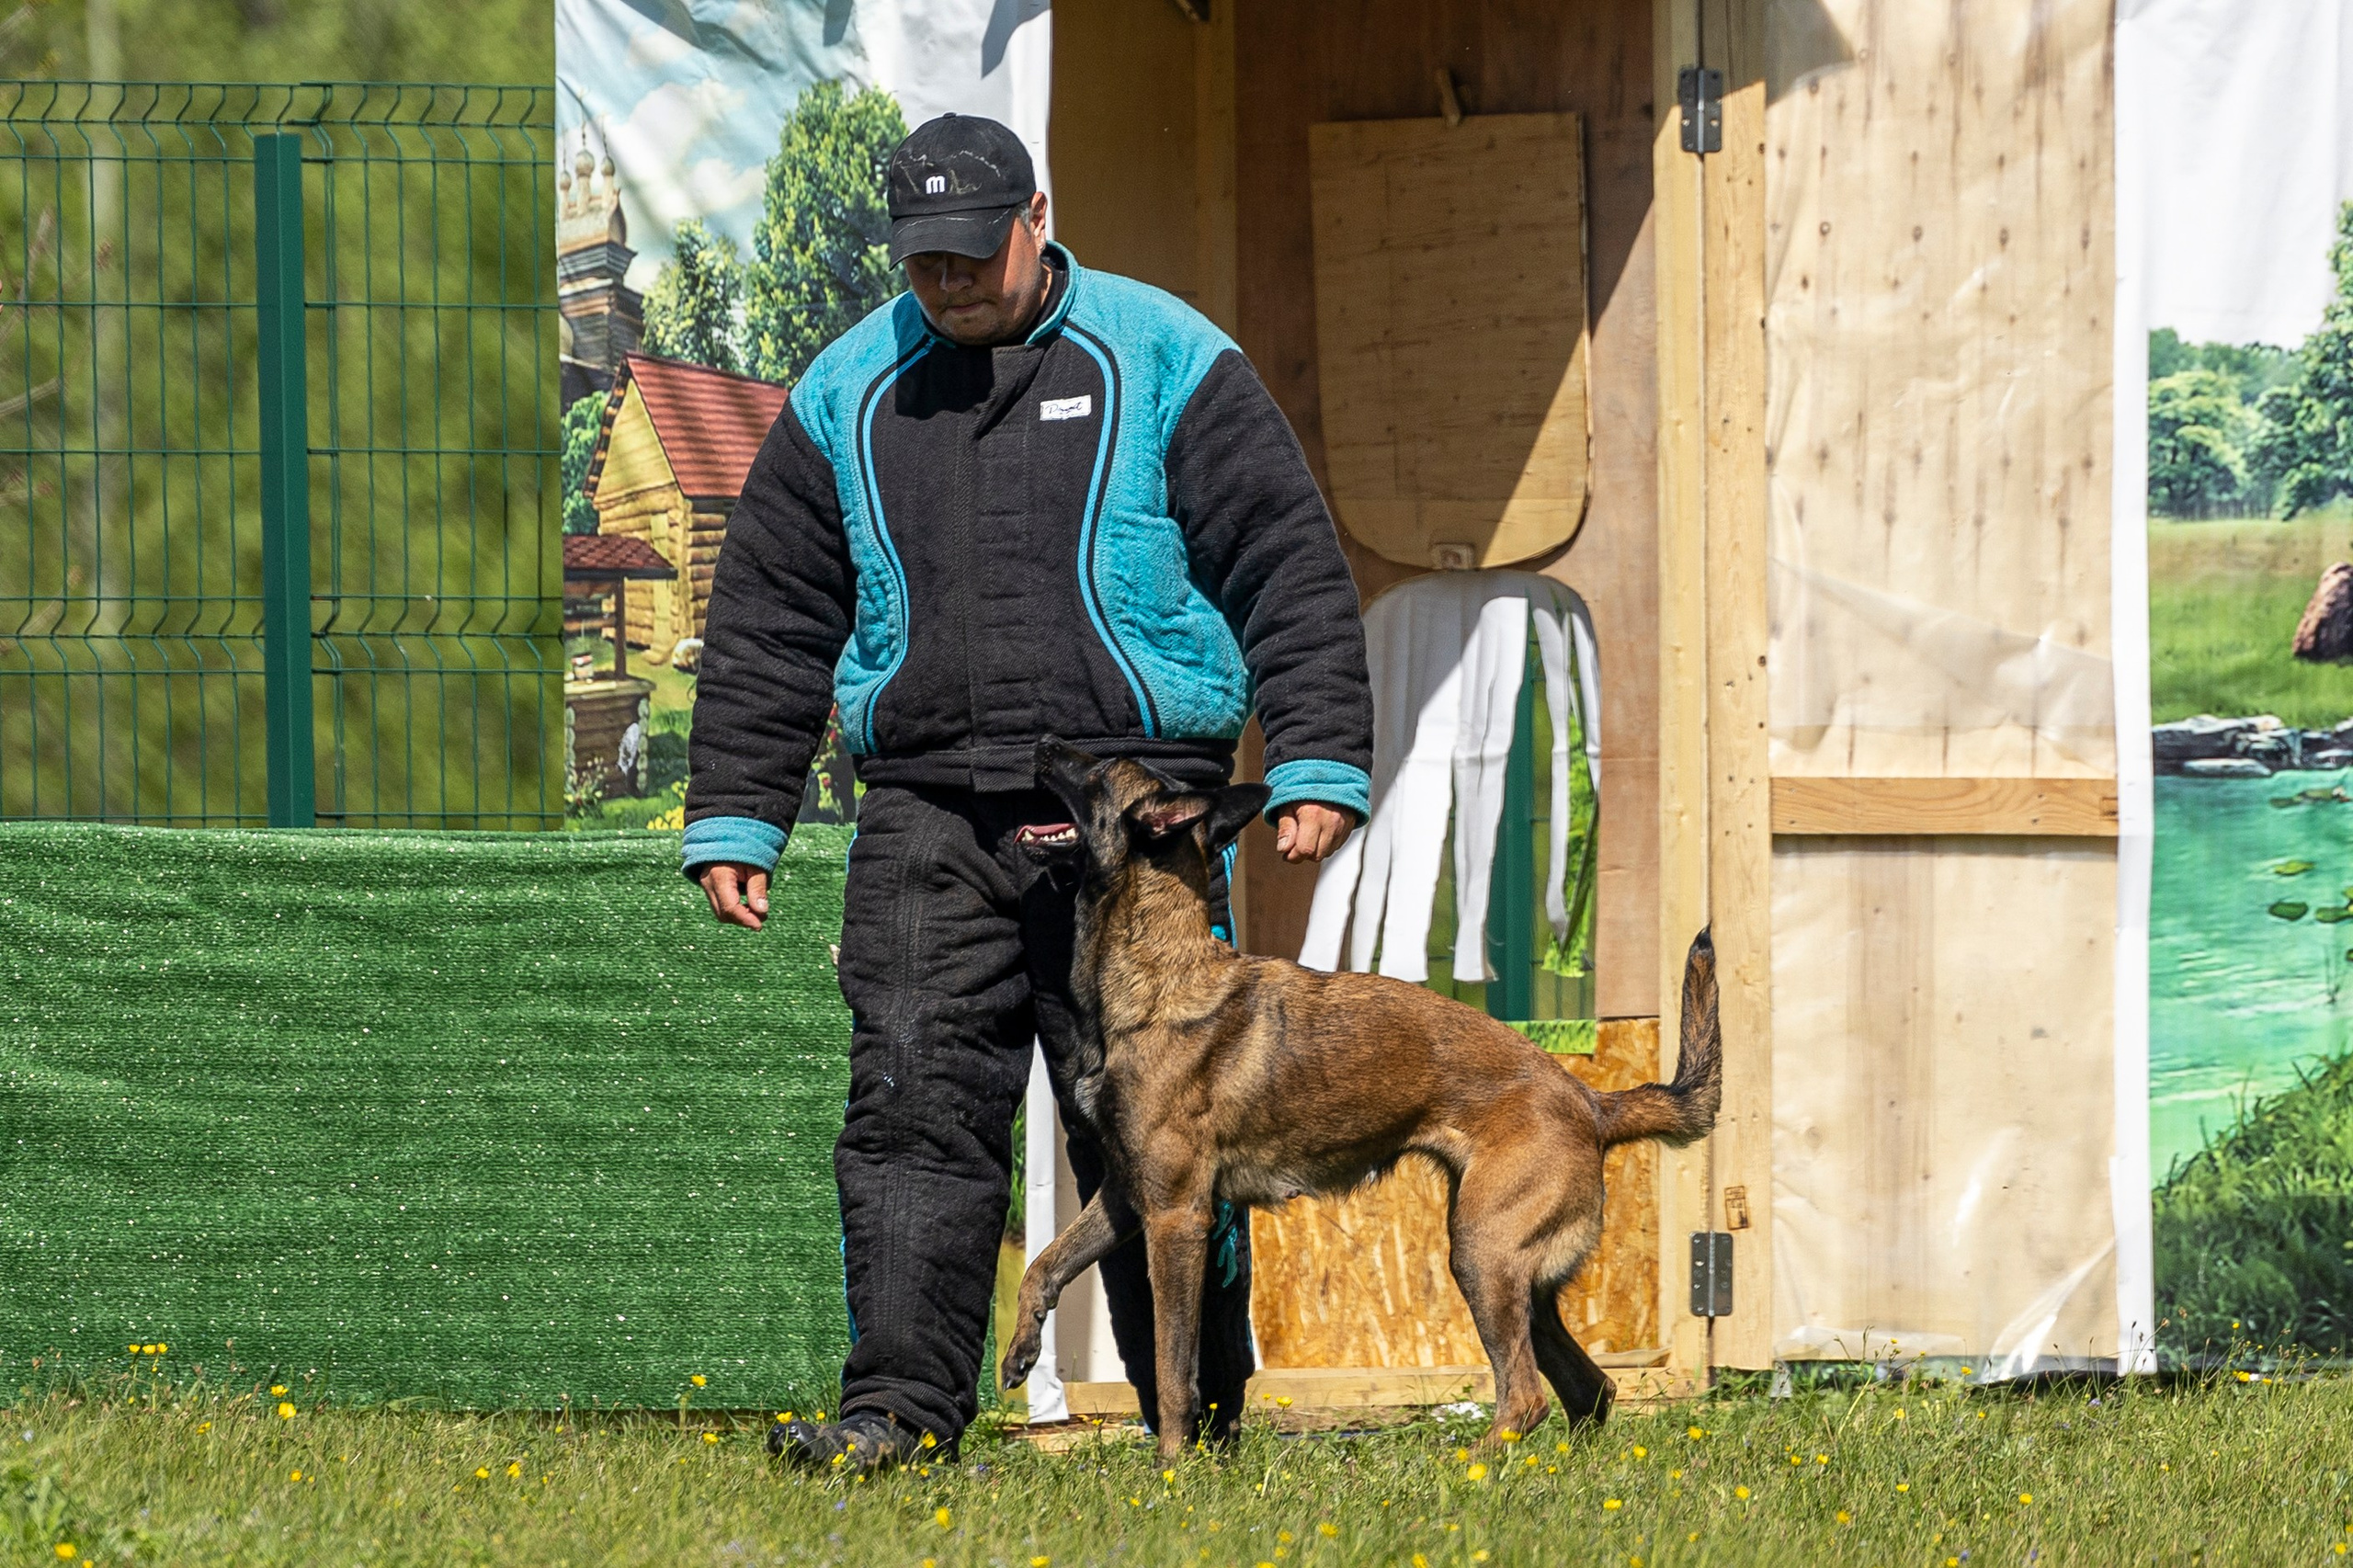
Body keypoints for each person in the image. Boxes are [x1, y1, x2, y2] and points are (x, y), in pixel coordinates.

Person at [681, 112, 1373, 1472]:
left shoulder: (1165, 354)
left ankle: (1202, 1422)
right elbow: (770, 610)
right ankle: (898, 1414)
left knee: (1159, 1131)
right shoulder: (846, 393)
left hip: (1136, 822)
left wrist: (1316, 756)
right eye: (922, 259)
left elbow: (1284, 554)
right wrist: (737, 810)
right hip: (929, 813)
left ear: (1037, 217)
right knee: (909, 1105)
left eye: (971, 252)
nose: (946, 281)